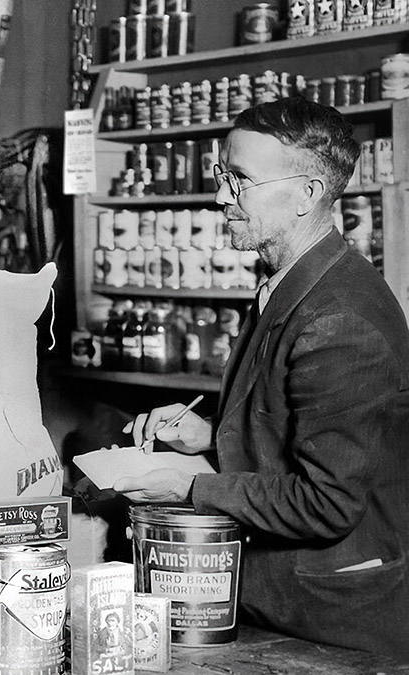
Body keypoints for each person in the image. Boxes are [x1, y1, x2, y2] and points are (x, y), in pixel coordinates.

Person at [114, 97, 409, 658]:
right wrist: (208, 436)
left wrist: (189, 488)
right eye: (222, 175)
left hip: (331, 624)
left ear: (307, 194)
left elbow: (326, 502)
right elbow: (295, 435)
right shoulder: (293, 283)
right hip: (284, 600)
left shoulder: (339, 320)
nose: (221, 197)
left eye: (240, 180)